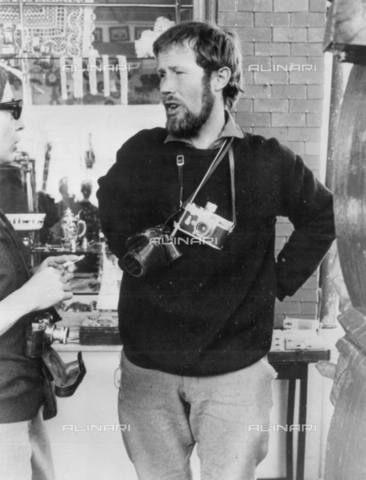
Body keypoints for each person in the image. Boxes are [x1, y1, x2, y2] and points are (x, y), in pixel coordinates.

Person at [97, 22, 335, 480]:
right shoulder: (141, 154)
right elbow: (107, 202)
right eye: (160, 75)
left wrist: (277, 281)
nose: (164, 88)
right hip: (148, 373)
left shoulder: (266, 160)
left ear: (220, 77)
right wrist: (136, 246)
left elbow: (322, 216)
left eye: (178, 74)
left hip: (235, 374)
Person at [0, 66, 78, 480]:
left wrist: (37, 281)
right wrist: (31, 296)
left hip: (17, 401)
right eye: (12, 108)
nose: (21, 121)